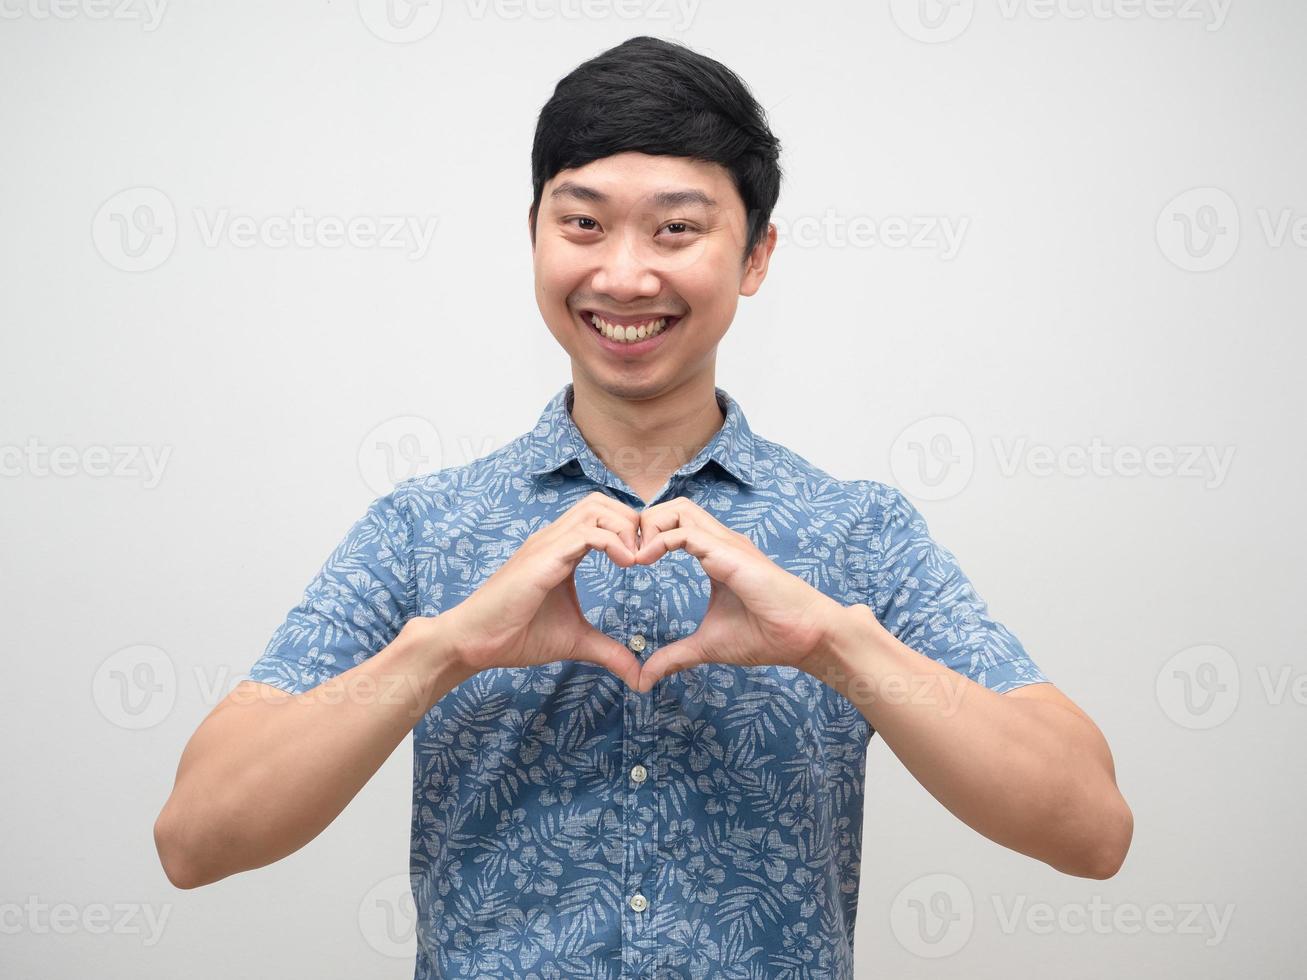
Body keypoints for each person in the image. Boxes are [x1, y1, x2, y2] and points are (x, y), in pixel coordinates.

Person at [153, 34, 1132, 978]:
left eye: (675, 228)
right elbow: (197, 835)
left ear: (753, 255)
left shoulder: (855, 531)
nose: (622, 274)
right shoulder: (422, 526)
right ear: (532, 233)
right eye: (581, 222)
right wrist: (444, 646)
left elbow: (1087, 825)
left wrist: (836, 644)